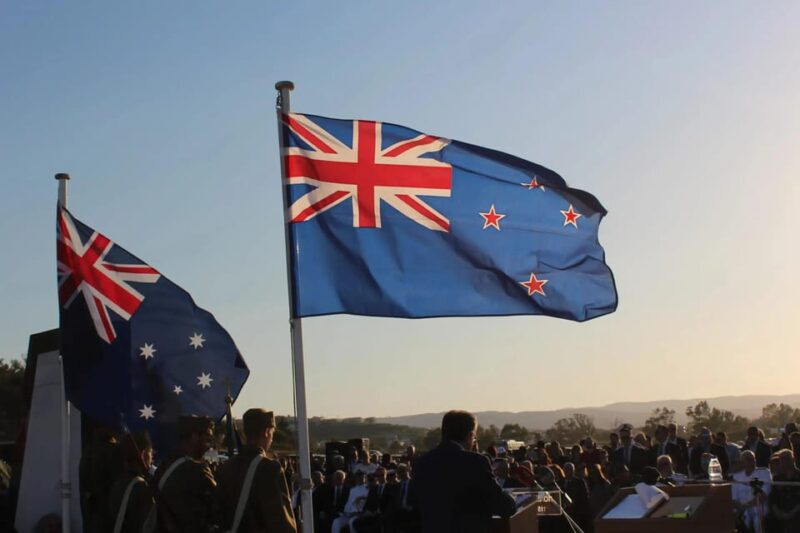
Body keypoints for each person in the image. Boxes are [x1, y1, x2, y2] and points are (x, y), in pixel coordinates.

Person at [410, 410, 516, 532]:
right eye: (474, 438)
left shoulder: (421, 463)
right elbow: (503, 506)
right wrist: (513, 500)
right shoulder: (475, 462)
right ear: (470, 435)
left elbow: (413, 504)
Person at [216, 408, 297, 532]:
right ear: (266, 432)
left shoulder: (226, 467)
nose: (271, 439)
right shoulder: (269, 469)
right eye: (272, 433)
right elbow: (280, 522)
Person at [153, 415, 217, 532]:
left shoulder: (163, 466)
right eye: (208, 439)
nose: (210, 446)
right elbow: (220, 506)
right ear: (194, 437)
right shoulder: (198, 471)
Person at [108, 431, 154, 533]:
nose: (152, 458)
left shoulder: (119, 481)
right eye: (150, 452)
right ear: (142, 454)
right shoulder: (141, 487)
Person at [732, 450, 771, 533]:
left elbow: (763, 495)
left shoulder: (764, 472)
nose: (751, 461)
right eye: (747, 459)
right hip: (740, 509)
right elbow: (733, 498)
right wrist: (740, 508)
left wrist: (745, 506)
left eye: (752, 459)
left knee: (757, 521)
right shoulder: (736, 477)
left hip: (759, 507)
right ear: (742, 462)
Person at [768, 449, 800, 532]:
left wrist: (791, 513)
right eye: (781, 459)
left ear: (793, 460)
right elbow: (773, 498)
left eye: (787, 458)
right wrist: (778, 512)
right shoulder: (777, 479)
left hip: (796, 513)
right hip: (780, 513)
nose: (784, 461)